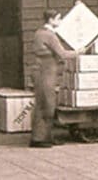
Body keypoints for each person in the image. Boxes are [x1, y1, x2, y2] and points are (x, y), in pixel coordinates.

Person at [30, 8, 79, 148]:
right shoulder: (49, 35)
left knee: (43, 104)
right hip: (45, 72)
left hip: (42, 71)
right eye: (59, 18)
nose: (61, 21)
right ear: (51, 20)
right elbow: (62, 54)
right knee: (47, 105)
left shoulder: (40, 32)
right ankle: (39, 139)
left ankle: (46, 136)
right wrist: (79, 52)